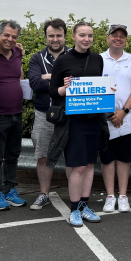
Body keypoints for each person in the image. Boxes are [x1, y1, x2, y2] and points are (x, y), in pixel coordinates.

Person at [50, 22, 104, 226]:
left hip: (93, 119)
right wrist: (64, 89)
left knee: (90, 165)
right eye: (82, 35)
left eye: (90, 36)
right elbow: (52, 91)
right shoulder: (63, 60)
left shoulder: (97, 59)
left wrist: (108, 90)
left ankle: (84, 205)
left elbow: (99, 86)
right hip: (73, 121)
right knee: (78, 167)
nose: (86, 39)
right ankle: (74, 209)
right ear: (73, 36)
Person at [27, 18, 69, 210]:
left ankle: (75, 197)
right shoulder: (37, 58)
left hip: (71, 114)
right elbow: (35, 84)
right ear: (46, 37)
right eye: (51, 35)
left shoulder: (74, 56)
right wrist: (60, 80)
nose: (55, 39)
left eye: (58, 35)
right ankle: (44, 194)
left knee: (72, 156)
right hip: (44, 114)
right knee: (43, 156)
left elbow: (79, 82)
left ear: (65, 36)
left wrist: (49, 76)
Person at [100, 23, 131, 213]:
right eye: (114, 35)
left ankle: (123, 196)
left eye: (122, 36)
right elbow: (96, 88)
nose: (118, 38)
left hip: (127, 116)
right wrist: (109, 114)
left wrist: (123, 111)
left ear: (126, 40)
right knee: (107, 158)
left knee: (124, 157)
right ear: (107, 38)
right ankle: (110, 196)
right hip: (104, 117)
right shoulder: (98, 59)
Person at [0, 20, 27, 210]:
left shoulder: (18, 53)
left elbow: (18, 76)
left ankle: (10, 189)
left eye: (14, 36)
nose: (10, 39)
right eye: (7, 35)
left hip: (16, 114)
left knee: (13, 154)